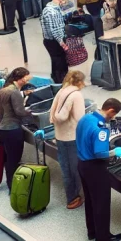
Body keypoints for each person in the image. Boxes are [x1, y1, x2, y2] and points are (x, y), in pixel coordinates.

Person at [76, 98, 121, 241]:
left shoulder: (86, 118)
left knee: (90, 200)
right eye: (114, 114)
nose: (113, 117)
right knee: (101, 203)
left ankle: (92, 231)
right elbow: (99, 153)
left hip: (82, 164)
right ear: (110, 110)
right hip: (95, 168)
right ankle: (103, 237)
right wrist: (113, 152)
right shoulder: (101, 129)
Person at [41, 70, 86, 209]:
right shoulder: (76, 95)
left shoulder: (62, 91)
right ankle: (75, 197)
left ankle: (70, 197)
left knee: (65, 168)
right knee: (75, 169)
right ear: (78, 82)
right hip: (72, 137)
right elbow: (80, 119)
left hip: (60, 136)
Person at [0, 67, 34, 188]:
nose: (26, 81)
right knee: (14, 158)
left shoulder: (3, 90)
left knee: (7, 157)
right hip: (12, 129)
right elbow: (19, 112)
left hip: (1, 128)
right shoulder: (15, 92)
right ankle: (13, 185)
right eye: (25, 78)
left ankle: (9, 181)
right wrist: (30, 110)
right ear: (20, 79)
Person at [40, 0, 70, 83]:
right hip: (55, 42)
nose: (63, 3)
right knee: (60, 63)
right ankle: (60, 82)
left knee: (56, 62)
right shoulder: (51, 11)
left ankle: (57, 80)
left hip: (51, 41)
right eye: (63, 0)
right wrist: (62, 43)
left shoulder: (49, 9)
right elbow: (55, 29)